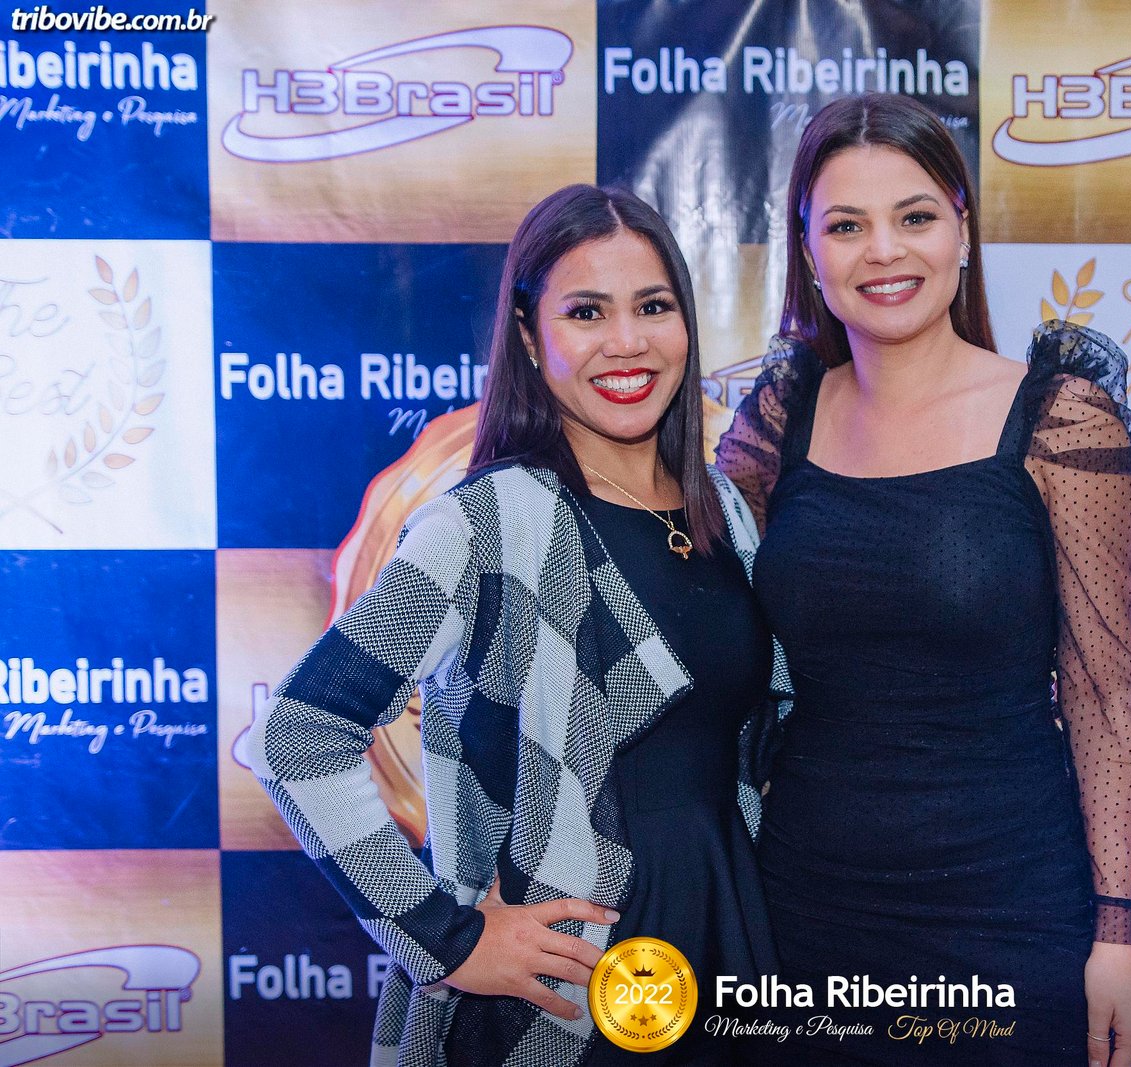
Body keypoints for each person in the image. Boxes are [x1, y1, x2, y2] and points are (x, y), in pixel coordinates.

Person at [247, 184, 787, 1067]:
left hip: (725, 950)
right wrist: (447, 937)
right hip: (569, 994)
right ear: (532, 339)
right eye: (587, 312)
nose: (627, 341)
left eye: (653, 306)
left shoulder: (722, 507)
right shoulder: (488, 522)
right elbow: (298, 734)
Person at [716, 95, 1131, 1066]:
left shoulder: (1061, 418)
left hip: (1008, 913)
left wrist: (1117, 931)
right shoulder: (780, 420)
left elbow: (1106, 688)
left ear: (962, 230)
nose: (884, 251)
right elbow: (683, 592)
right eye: (846, 225)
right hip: (804, 911)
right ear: (808, 253)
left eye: (914, 216)